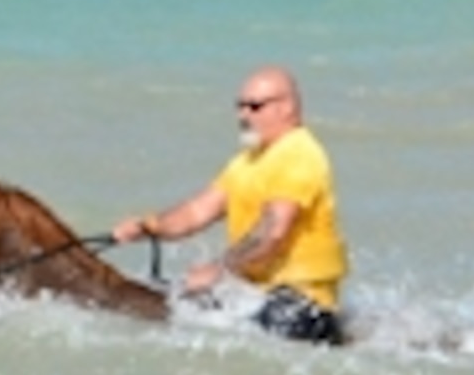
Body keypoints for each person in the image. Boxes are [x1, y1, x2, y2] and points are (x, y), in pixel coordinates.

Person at [113, 65, 350, 345]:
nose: (243, 116)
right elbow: (196, 212)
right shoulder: (246, 162)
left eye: (254, 107)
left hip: (303, 306)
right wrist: (148, 226)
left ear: (286, 107)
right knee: (182, 305)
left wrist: (219, 270)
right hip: (257, 296)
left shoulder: (298, 152)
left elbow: (274, 230)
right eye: (239, 107)